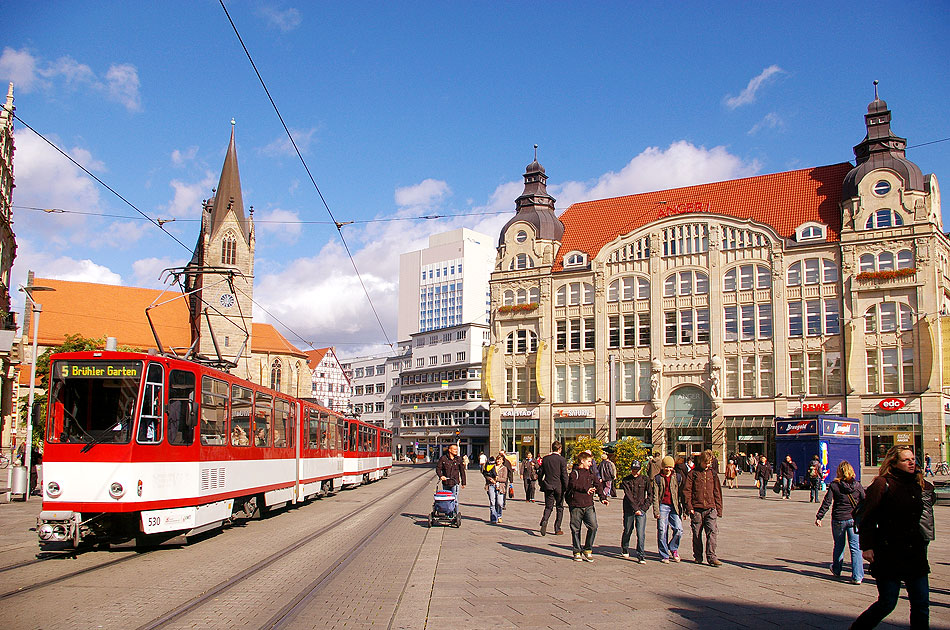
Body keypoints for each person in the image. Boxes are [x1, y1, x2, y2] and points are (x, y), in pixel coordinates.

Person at [851, 446, 935, 629]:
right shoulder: (883, 484)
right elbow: (867, 516)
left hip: (914, 551)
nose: (912, 462)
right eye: (906, 460)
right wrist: (867, 546)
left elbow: (928, 501)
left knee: (921, 603)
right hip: (889, 551)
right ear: (894, 463)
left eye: (913, 459)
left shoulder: (916, 483)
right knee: (887, 602)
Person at [815, 460, 865, 584]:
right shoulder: (857, 486)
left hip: (839, 519)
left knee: (839, 545)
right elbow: (865, 500)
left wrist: (819, 516)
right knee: (856, 548)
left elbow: (827, 502)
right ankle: (857, 576)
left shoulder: (834, 485)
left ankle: (837, 569)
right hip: (854, 519)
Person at [683, 449, 723, 567]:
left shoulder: (713, 474)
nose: (707, 465)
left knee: (712, 532)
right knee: (696, 533)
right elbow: (687, 491)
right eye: (706, 463)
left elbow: (717, 492)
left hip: (710, 508)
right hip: (696, 508)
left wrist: (718, 508)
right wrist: (689, 507)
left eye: (709, 463)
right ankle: (698, 556)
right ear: (701, 461)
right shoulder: (693, 474)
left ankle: (711, 557)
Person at [565, 451, 608, 561]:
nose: (591, 464)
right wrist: (586, 489)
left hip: (588, 504)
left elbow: (598, 485)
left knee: (593, 526)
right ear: (582, 461)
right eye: (589, 461)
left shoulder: (591, 473)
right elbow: (573, 484)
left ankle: (587, 549)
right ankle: (577, 551)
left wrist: (602, 497)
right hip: (576, 504)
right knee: (576, 529)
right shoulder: (574, 473)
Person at [652, 455, 687, 563]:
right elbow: (655, 496)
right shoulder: (658, 478)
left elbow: (682, 493)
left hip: (674, 506)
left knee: (679, 529)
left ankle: (673, 548)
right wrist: (656, 511)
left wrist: (684, 510)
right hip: (663, 505)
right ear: (663, 467)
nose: (668, 469)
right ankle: (664, 553)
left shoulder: (677, 477)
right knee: (662, 530)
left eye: (670, 467)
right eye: (666, 467)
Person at [620, 460, 652, 563]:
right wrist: (636, 509)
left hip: (641, 508)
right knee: (628, 530)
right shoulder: (626, 480)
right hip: (629, 508)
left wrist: (644, 508)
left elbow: (650, 495)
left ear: (640, 470)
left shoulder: (645, 480)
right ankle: (625, 546)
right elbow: (628, 496)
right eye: (633, 470)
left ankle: (641, 554)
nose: (635, 472)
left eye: (637, 470)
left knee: (641, 532)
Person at [538, 441, 569, 536]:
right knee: (559, 507)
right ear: (560, 449)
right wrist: (567, 487)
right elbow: (564, 475)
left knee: (548, 506)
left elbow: (540, 473)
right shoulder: (562, 460)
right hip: (559, 487)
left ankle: (545, 520)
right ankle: (557, 528)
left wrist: (541, 483)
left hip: (548, 485)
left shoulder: (546, 459)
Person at [481, 454, 508, 524]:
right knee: (492, 502)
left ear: (502, 461)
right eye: (498, 459)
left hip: (500, 486)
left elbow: (504, 479)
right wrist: (490, 479)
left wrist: (497, 479)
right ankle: (493, 518)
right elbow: (485, 474)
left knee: (500, 503)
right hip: (491, 485)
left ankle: (499, 515)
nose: (498, 461)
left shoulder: (504, 468)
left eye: (500, 460)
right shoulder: (491, 465)